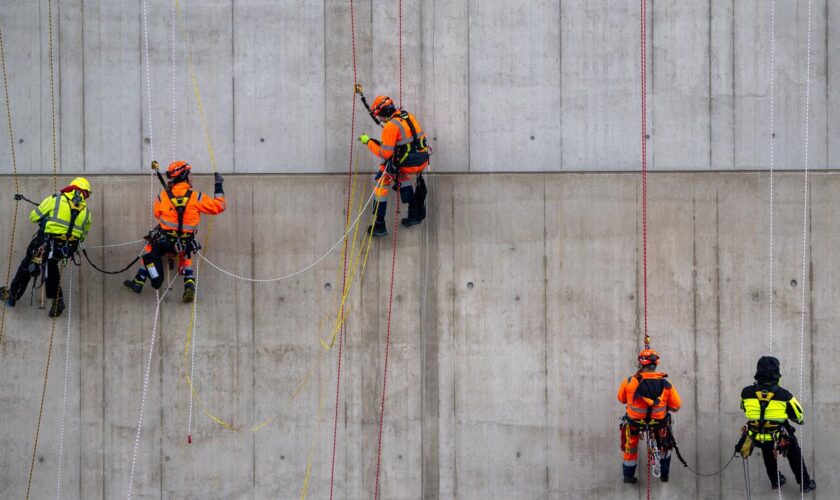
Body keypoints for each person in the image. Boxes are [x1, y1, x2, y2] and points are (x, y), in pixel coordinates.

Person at [123, 161, 225, 302]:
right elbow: (220, 206)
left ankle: (139, 281)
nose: (192, 176)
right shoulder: (197, 197)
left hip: (165, 242)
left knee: (149, 248)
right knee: (186, 252)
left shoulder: (162, 197)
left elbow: (157, 214)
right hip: (186, 241)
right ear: (184, 176)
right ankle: (189, 283)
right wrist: (218, 184)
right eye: (190, 174)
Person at [0, 178, 92, 317]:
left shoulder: (55, 199)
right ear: (85, 193)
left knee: (27, 265)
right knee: (51, 266)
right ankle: (57, 301)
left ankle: (12, 296)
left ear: (71, 187)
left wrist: (47, 219)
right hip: (65, 250)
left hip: (45, 244)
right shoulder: (86, 213)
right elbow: (83, 235)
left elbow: (33, 217)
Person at [738, 356, 816, 492]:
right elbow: (799, 416)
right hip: (779, 437)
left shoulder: (746, 393)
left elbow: (744, 408)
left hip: (757, 436)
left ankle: (775, 480)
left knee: (767, 450)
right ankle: (805, 483)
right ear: (777, 374)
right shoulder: (785, 395)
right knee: (794, 453)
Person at [359, 95, 430, 237]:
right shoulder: (407, 116)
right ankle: (413, 214)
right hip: (421, 160)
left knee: (381, 182)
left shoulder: (391, 126)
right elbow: (405, 140)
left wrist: (368, 142)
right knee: (401, 176)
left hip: (408, 163)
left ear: (384, 112)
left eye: (380, 116)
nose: (380, 120)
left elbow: (385, 153)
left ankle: (379, 225)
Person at [617, 348, 682, 484]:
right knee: (664, 446)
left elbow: (621, 399)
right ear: (656, 365)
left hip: (635, 423)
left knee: (631, 447)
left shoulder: (629, 382)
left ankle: (628, 476)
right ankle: (664, 474)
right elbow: (676, 406)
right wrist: (664, 406)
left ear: (641, 364)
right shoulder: (666, 384)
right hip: (658, 423)